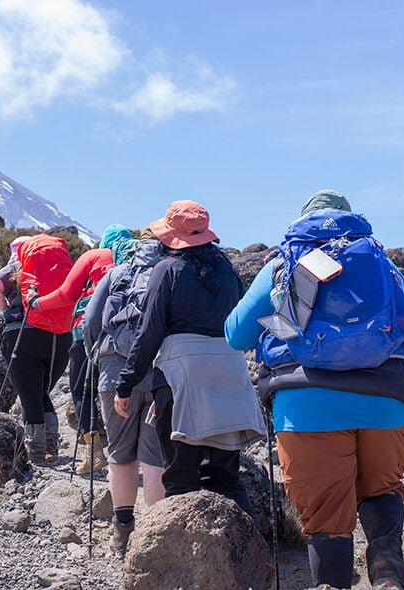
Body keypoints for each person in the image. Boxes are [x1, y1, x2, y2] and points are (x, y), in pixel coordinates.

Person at [225, 190, 404, 590]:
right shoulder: (379, 262)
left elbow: (236, 334)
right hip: (388, 404)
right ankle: (387, 575)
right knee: (382, 489)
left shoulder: (283, 263)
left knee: (327, 520)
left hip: (307, 406)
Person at [115, 201, 266, 515]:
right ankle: (244, 550)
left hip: (180, 377)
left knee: (181, 477)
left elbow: (149, 332)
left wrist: (126, 385)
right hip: (230, 373)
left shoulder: (166, 270)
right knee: (226, 478)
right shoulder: (227, 270)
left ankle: (182, 556)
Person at [84, 230, 165, 556]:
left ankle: (122, 535)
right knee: (155, 459)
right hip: (159, 376)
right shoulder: (169, 274)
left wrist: (101, 357)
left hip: (115, 376)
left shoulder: (117, 273)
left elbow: (91, 320)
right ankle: (155, 536)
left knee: (119, 455)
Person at [30, 224, 133, 474]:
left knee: (82, 390)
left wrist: (37, 304)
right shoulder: (137, 263)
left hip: (86, 334)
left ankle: (94, 453)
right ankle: (130, 455)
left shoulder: (94, 257)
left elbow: (67, 294)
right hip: (130, 337)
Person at [0, 234, 73, 465]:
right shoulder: (58, 267)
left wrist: (5, 308)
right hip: (61, 336)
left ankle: (36, 451)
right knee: (42, 391)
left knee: (29, 394)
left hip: (23, 332)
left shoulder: (17, 265)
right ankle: (51, 446)